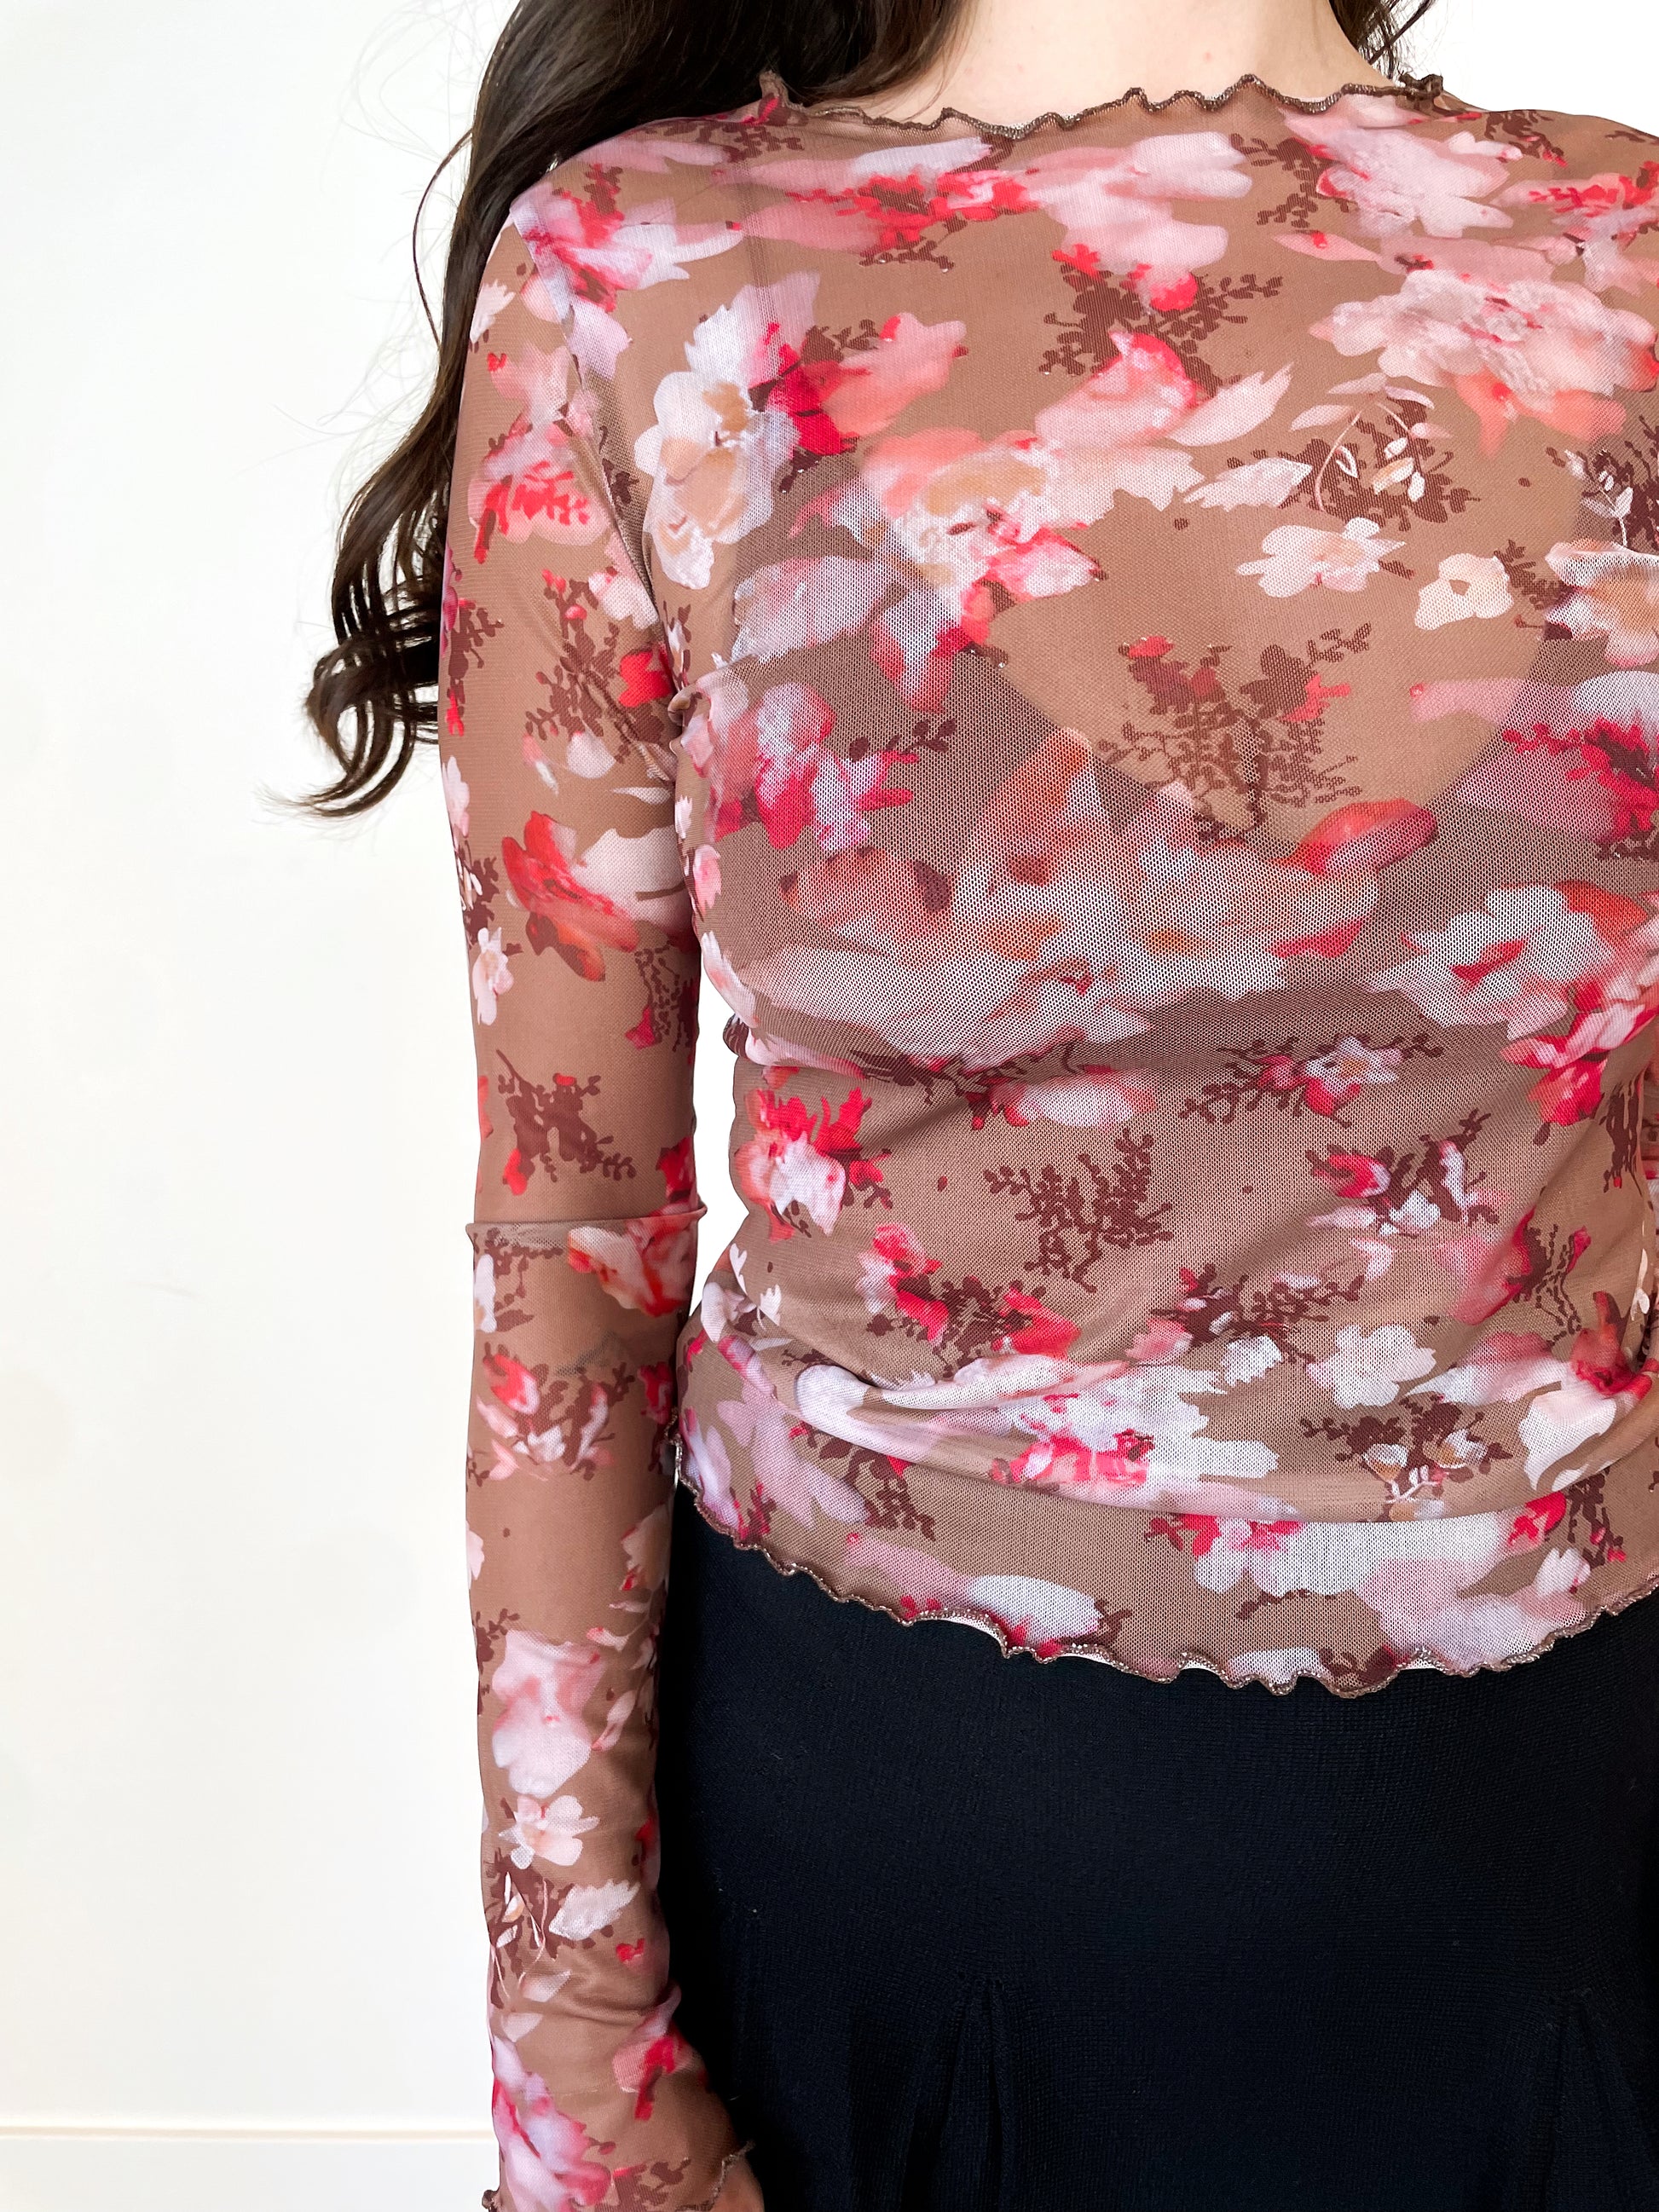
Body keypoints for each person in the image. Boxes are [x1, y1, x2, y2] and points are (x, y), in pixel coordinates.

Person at [303, 0, 1659, 2200]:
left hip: (1569, 1872)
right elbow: (571, 1241)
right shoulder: (644, 291)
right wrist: (576, 2056)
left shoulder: (1631, 251)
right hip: (891, 1883)